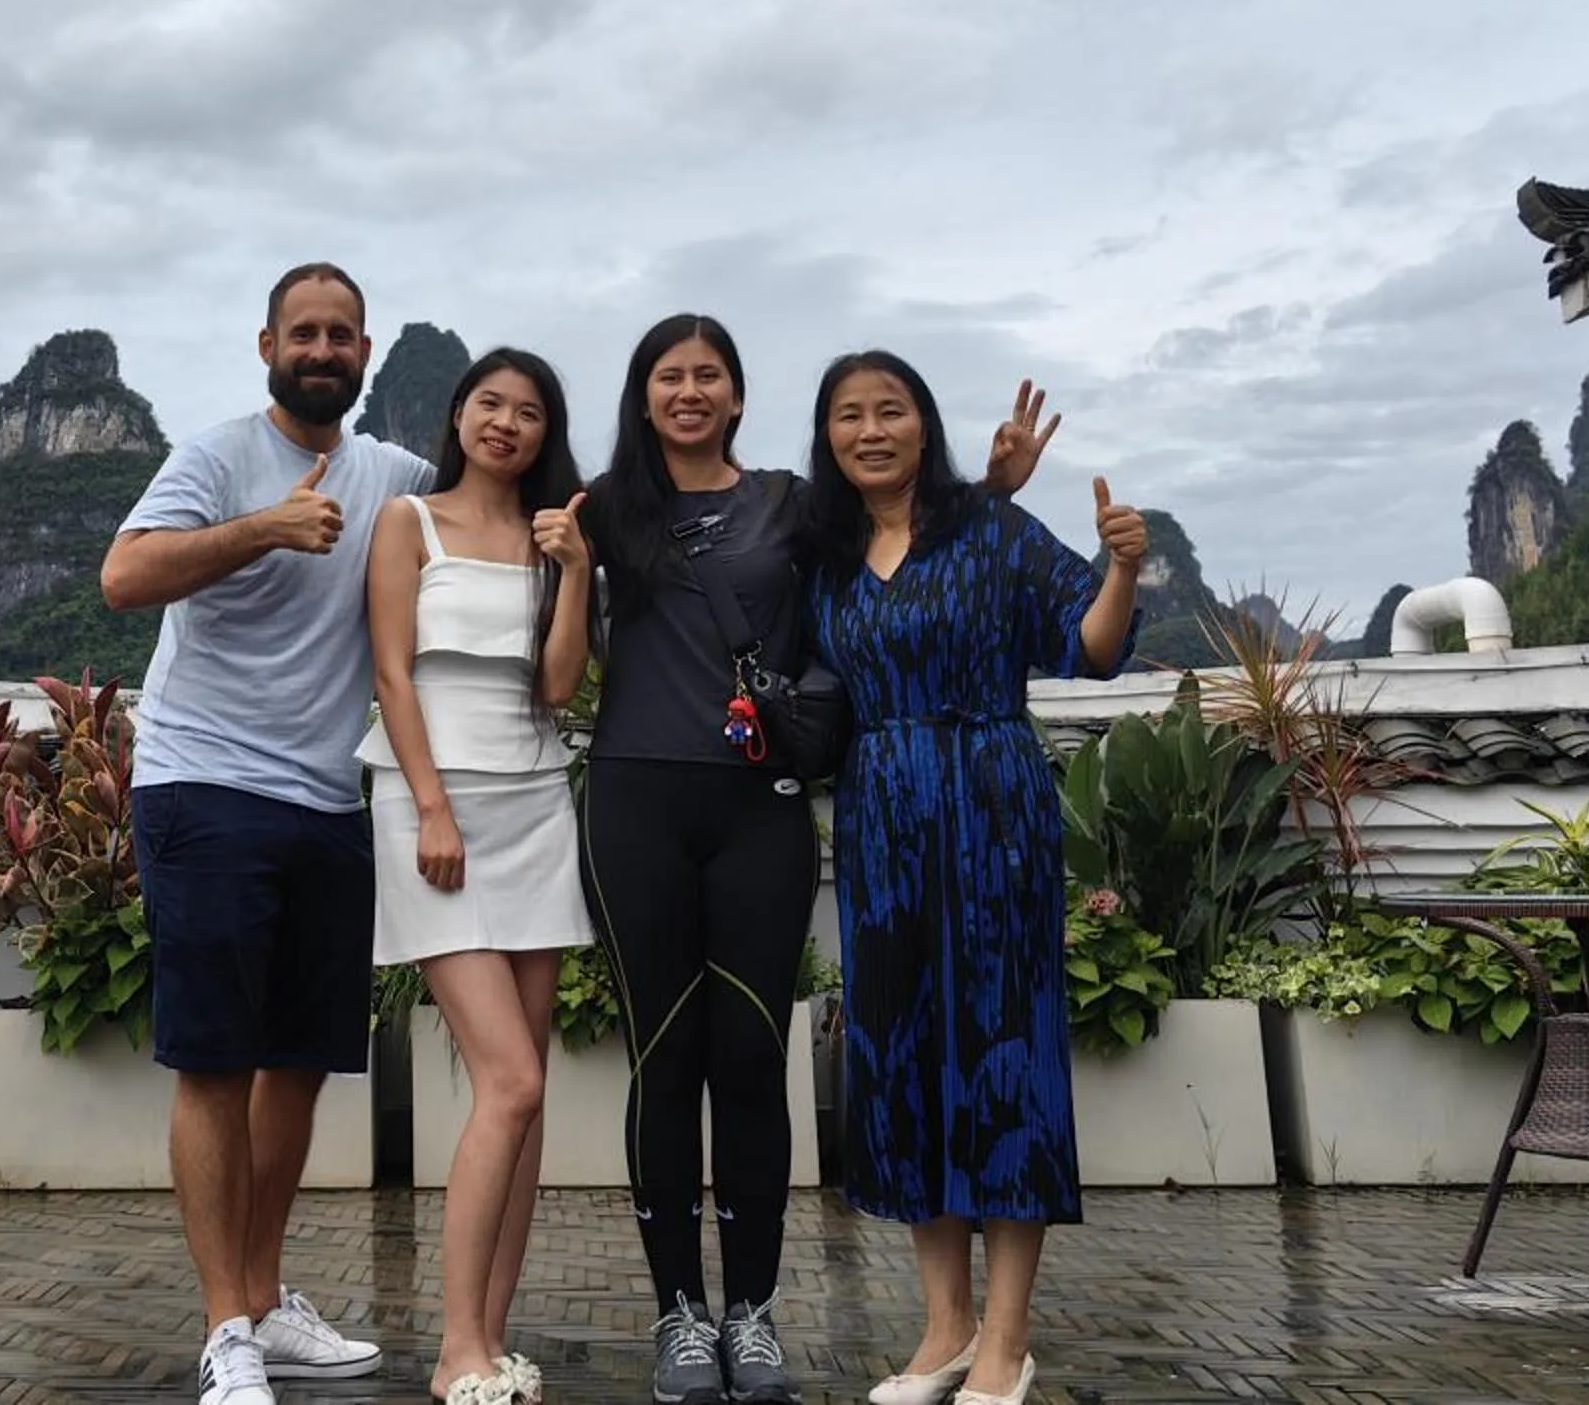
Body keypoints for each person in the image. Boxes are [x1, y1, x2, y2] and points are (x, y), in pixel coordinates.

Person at [574, 316, 1056, 1405]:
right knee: (664, 1059)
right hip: (636, 797)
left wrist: (993, 496)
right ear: (643, 397)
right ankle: (678, 1319)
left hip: (762, 805)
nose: (690, 392)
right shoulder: (603, 508)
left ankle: (750, 1313)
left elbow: (905, 558)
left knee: (750, 1055)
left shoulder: (791, 505)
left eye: (710, 376)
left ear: (739, 396)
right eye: (669, 377)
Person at [99, 262, 430, 1405]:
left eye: (343, 335)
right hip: (206, 791)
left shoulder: (394, 473)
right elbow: (124, 576)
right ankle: (221, 1329)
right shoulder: (216, 455)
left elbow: (485, 501)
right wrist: (264, 528)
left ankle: (264, 1297)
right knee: (214, 1061)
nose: (324, 350)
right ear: (267, 344)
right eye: (306, 332)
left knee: (296, 1066)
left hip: (327, 801)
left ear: (367, 352)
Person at [798, 351, 1145, 1405]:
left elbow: (1089, 644)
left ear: (923, 423)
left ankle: (1006, 1337)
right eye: (849, 416)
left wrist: (1124, 566)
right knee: (903, 1058)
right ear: (828, 437)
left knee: (1005, 1057)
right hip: (882, 821)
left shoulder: (992, 531)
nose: (871, 430)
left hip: (993, 806)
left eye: (890, 411)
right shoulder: (828, 558)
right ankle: (945, 1327)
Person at [360, 349, 598, 1405]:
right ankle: (456, 1346)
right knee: (511, 1079)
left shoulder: (552, 541)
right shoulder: (407, 525)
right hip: (432, 805)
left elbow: (556, 687)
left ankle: (492, 1342)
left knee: (526, 1096)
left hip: (536, 799)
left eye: (530, 412)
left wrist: (578, 571)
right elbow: (389, 671)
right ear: (457, 416)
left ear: (547, 434)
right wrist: (435, 807)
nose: (506, 423)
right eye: (490, 404)